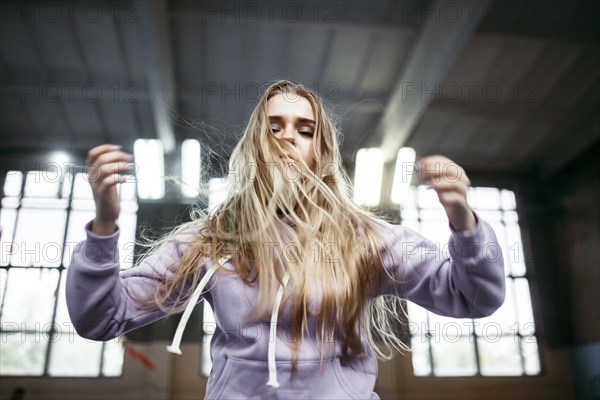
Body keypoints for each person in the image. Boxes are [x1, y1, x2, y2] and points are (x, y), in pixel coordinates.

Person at [66, 80, 505, 399]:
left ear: (321, 149)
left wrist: (464, 223)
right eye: (273, 127)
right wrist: (105, 224)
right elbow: (100, 318)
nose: (287, 139)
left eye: (304, 129)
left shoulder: (367, 238)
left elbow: (473, 298)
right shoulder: (210, 240)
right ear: (256, 143)